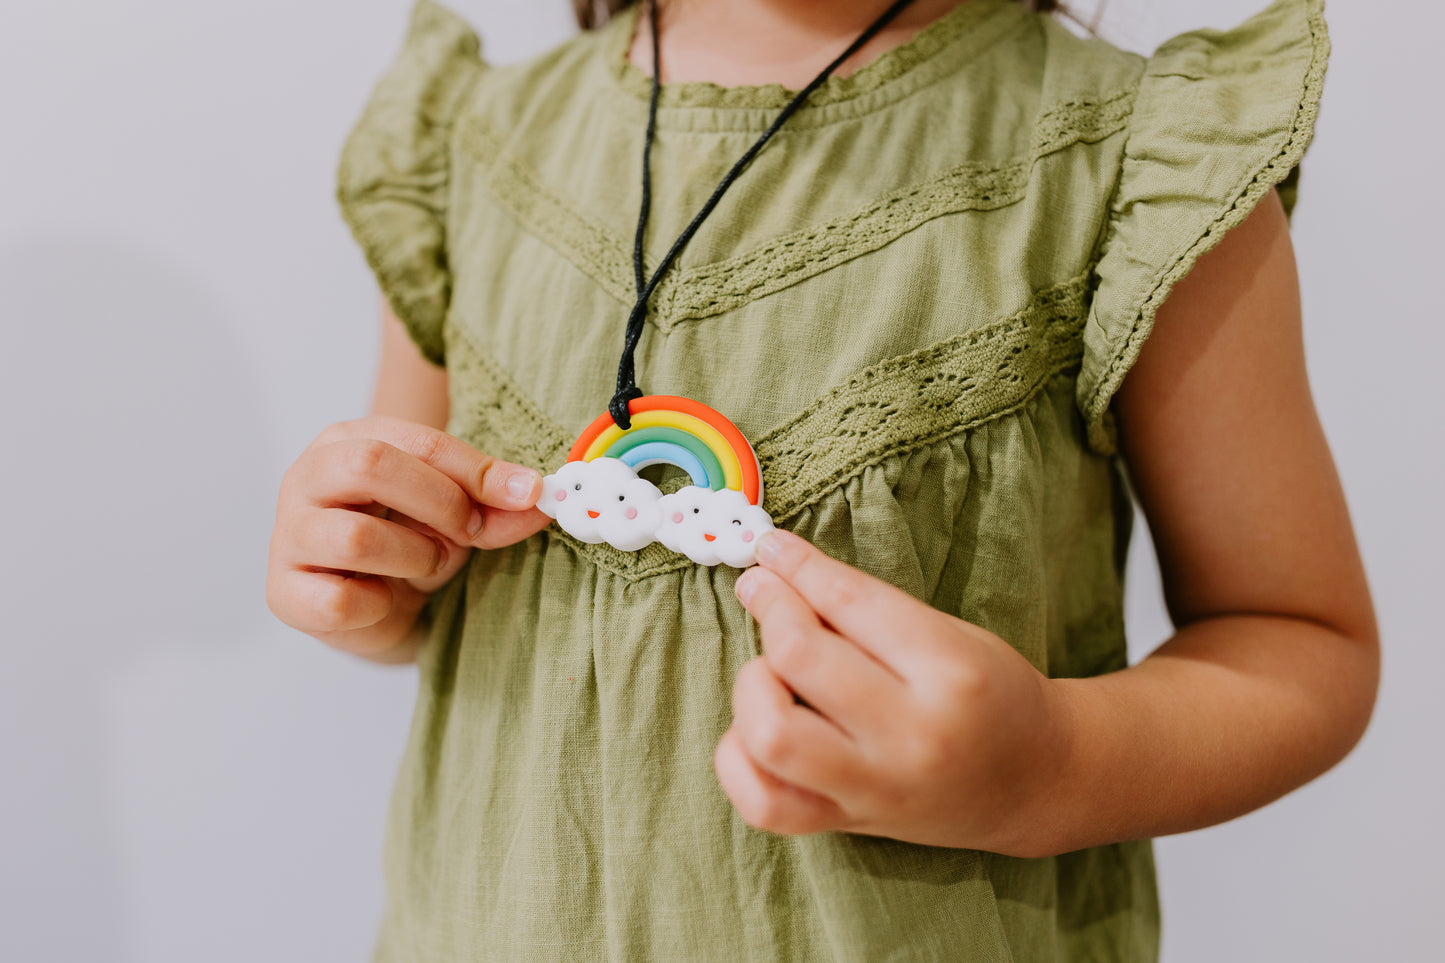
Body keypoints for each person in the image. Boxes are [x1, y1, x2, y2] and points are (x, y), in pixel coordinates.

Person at [265, 0, 1378, 958]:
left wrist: (1047, 766)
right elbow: (420, 587)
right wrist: (358, 576)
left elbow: (1297, 641)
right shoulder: (468, 146)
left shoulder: (1136, 162)